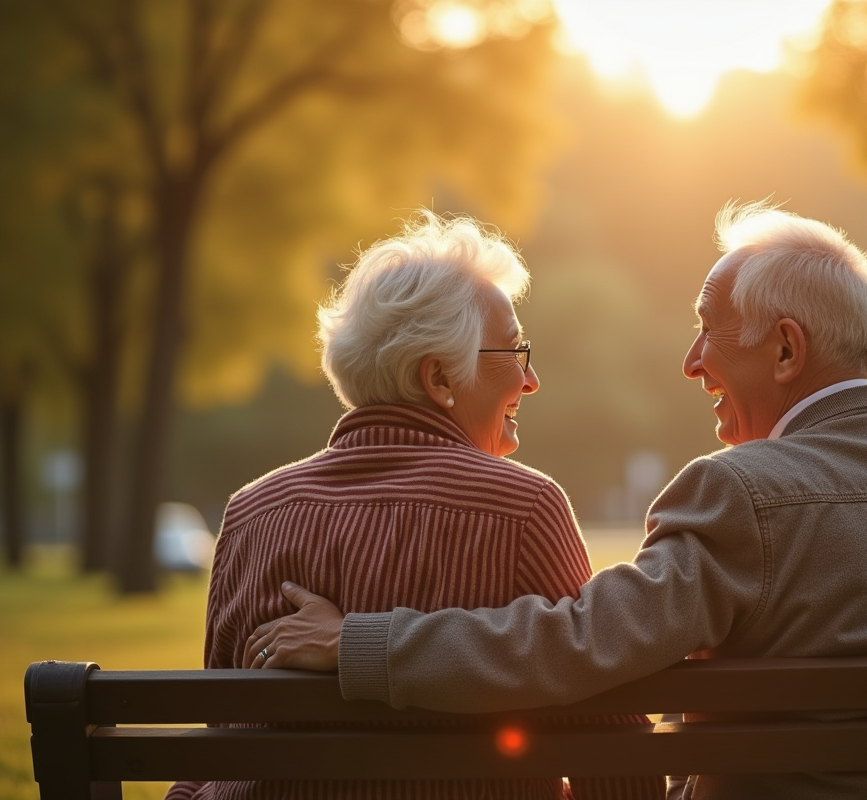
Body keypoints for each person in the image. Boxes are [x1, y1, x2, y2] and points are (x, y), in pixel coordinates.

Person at [249, 201, 867, 800]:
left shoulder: (739, 493)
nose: (692, 362)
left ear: (788, 349)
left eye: (710, 330)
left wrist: (359, 642)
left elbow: (572, 646)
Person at [166, 212, 663, 800]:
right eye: (514, 352)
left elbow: (219, 735)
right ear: (440, 378)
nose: (531, 380)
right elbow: (608, 744)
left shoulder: (252, 515)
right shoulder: (523, 511)